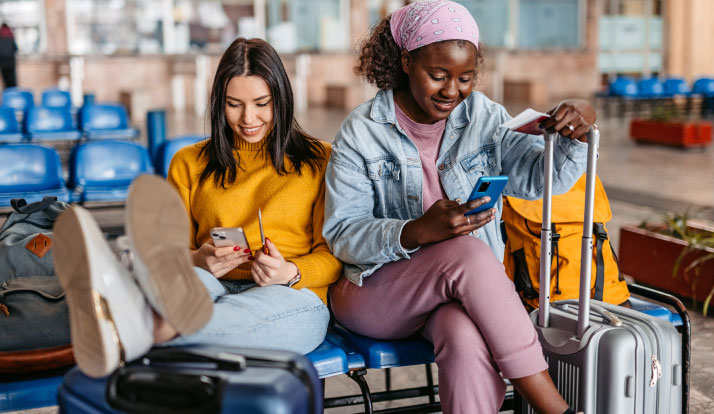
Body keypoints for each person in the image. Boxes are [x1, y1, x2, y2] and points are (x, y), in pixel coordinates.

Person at [322, 1, 593, 413]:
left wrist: (577, 130)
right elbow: (343, 235)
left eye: (465, 78)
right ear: (407, 61)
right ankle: (554, 408)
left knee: (462, 332)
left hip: (452, 298)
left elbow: (544, 179)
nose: (453, 91)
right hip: (374, 294)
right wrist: (415, 231)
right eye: (438, 76)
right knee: (467, 251)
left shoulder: (484, 117)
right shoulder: (362, 132)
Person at [53, 37, 341, 378]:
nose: (249, 118)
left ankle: (140, 326)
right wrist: (198, 260)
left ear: (282, 98)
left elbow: (335, 257)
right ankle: (143, 320)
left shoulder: (320, 159)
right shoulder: (188, 163)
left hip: (292, 297)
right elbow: (170, 255)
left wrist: (290, 272)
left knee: (184, 312)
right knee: (182, 286)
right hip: (207, 286)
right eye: (234, 104)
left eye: (262, 103)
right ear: (219, 103)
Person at [0, 23, 17, 88]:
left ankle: (7, 95)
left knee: (6, 82)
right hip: (11, 63)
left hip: (3, 63)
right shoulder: (10, 36)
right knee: (13, 81)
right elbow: (16, 49)